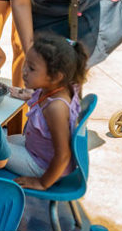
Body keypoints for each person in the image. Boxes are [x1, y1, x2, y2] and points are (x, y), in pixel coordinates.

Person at [6, 34, 87, 190]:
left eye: (31, 68)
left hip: (42, 166)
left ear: (55, 76)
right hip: (34, 149)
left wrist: (42, 183)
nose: (24, 71)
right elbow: (40, 97)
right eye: (25, 64)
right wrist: (25, 94)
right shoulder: (56, 87)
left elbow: (63, 155)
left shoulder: (56, 108)